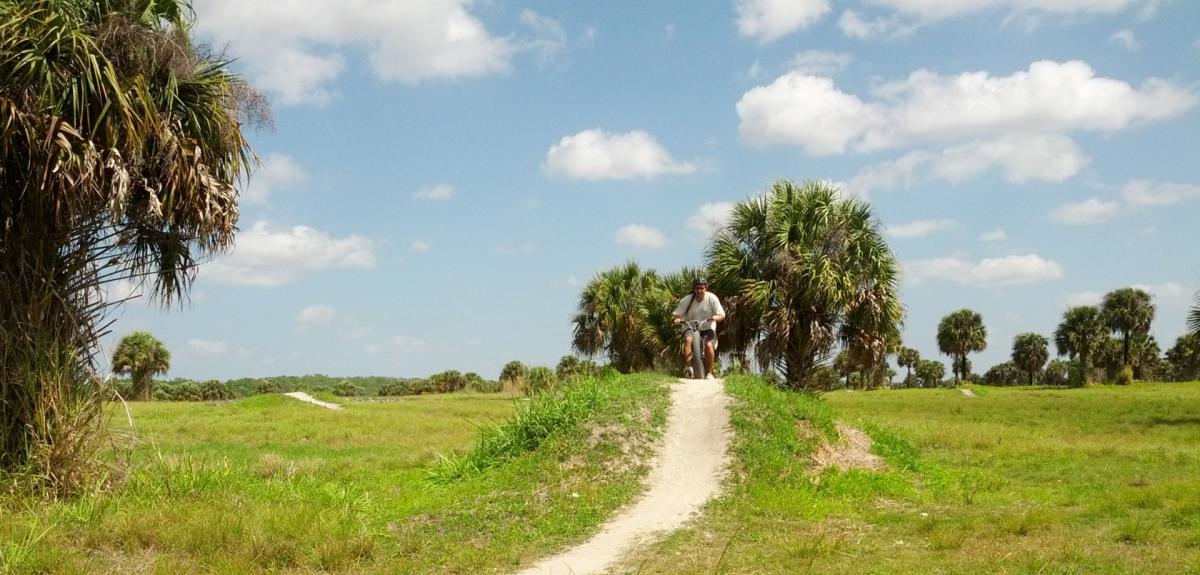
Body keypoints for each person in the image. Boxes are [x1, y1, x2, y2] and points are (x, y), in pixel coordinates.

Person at [672, 277, 726, 379]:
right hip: (690, 326)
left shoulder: (712, 298)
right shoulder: (686, 300)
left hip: (707, 327)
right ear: (693, 289)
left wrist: (714, 317)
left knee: (709, 345)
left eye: (702, 288)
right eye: (697, 288)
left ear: (706, 288)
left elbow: (722, 315)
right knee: (688, 339)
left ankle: (709, 373)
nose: (699, 291)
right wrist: (678, 320)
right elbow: (677, 315)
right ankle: (689, 368)